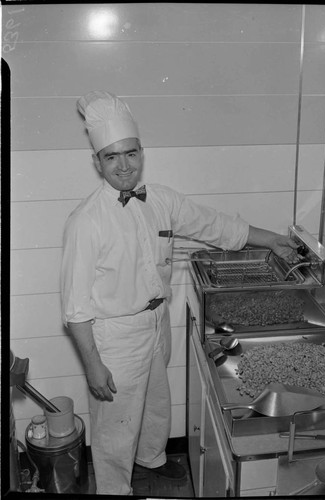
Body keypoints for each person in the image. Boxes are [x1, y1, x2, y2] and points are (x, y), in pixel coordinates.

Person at [61, 90, 300, 495]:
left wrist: (273, 240)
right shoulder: (86, 221)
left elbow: (216, 226)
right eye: (111, 156)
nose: (124, 165)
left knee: (155, 403)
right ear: (96, 162)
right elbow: (75, 309)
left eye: (130, 153)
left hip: (155, 323)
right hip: (114, 335)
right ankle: (114, 490)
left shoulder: (161, 200)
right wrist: (93, 366)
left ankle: (151, 459)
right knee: (115, 425)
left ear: (142, 152)